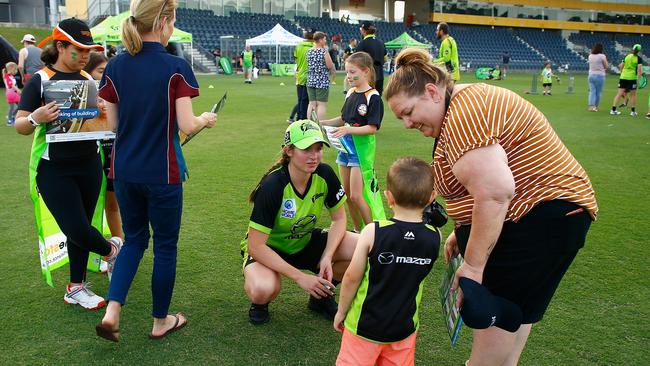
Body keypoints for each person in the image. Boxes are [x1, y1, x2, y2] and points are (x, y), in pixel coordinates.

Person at [385, 48, 597, 366]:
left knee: (494, 313)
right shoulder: (462, 105)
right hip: (553, 214)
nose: (406, 123)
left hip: (539, 215)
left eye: (408, 112)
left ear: (431, 91)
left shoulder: (462, 115)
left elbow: (496, 192)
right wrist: (462, 230)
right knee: (515, 312)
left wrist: (473, 267)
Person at [95, 0, 217, 342]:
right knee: (165, 246)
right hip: (162, 173)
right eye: (173, 19)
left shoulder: (115, 66)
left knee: (134, 240)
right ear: (163, 20)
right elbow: (187, 124)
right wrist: (205, 120)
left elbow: (115, 124)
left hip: (125, 171)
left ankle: (112, 311)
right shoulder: (176, 67)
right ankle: (160, 320)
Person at [14, 18, 122, 310]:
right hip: (54, 169)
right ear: (60, 46)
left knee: (82, 226)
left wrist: (102, 113)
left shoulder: (89, 80)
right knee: (75, 227)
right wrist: (37, 117)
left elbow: (100, 124)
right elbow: (21, 125)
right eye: (79, 49)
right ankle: (113, 251)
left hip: (88, 164)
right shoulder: (41, 80)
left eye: (89, 50)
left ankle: (76, 287)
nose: (86, 55)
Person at [241, 120, 358, 325]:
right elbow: (255, 245)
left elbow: (339, 219)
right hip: (270, 248)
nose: (314, 156)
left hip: (303, 241)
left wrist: (327, 256)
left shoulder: (325, 173)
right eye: (306, 149)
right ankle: (260, 303)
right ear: (289, 151)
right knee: (263, 289)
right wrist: (300, 277)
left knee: (361, 248)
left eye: (319, 148)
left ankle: (320, 296)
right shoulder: (273, 185)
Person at [334, 157, 440, 366]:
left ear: (389, 197)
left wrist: (341, 312)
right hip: (403, 330)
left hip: (362, 327)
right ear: (432, 197)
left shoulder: (373, 231)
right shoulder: (434, 236)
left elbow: (351, 278)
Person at [321, 52, 385, 232]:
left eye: (351, 72)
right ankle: (358, 231)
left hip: (361, 151)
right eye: (347, 72)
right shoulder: (350, 93)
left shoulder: (373, 97)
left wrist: (349, 129)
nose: (348, 76)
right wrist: (322, 123)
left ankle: (372, 233)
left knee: (357, 196)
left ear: (365, 71)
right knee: (347, 196)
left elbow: (372, 128)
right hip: (344, 148)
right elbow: (343, 118)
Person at [83, 51, 123, 249]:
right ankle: (97, 249)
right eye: (100, 71)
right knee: (88, 209)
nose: (105, 75)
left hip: (111, 150)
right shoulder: (81, 94)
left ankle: (119, 247)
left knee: (113, 204)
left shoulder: (114, 90)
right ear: (88, 73)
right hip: (88, 155)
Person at [307, 32, 335, 121]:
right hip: (322, 80)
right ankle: (321, 124)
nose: (325, 41)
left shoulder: (309, 51)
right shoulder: (323, 51)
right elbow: (330, 66)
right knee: (321, 104)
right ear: (320, 40)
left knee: (312, 104)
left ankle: (311, 123)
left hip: (311, 80)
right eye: (324, 39)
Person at [611, 44, 643, 116]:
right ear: (639, 51)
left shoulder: (627, 56)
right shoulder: (639, 58)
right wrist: (638, 80)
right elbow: (639, 70)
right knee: (633, 95)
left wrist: (622, 73)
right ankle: (633, 112)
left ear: (632, 49)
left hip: (623, 77)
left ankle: (613, 110)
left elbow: (620, 66)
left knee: (619, 94)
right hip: (632, 78)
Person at [356, 22, 386, 95]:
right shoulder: (381, 42)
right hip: (380, 75)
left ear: (363, 30)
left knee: (366, 99)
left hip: (368, 76)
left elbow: (357, 62)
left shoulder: (362, 44)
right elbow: (385, 59)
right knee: (377, 98)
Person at [294, 29, 315, 120]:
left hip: (300, 75)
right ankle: (303, 119)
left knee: (300, 99)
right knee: (306, 100)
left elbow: (296, 60)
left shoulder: (298, 46)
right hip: (310, 76)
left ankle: (298, 118)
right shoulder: (313, 47)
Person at [587, 43, 608, 112]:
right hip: (600, 75)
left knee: (592, 91)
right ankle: (596, 106)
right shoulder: (602, 56)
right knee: (598, 92)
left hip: (591, 75)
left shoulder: (590, 55)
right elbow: (606, 66)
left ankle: (591, 106)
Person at [3, 61, 21, 126]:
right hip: (11, 92)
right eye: (15, 69)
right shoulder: (8, 77)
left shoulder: (9, 76)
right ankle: (10, 120)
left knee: (19, 105)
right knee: (13, 106)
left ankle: (11, 116)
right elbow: (11, 85)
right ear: (11, 69)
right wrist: (18, 90)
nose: (16, 71)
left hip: (12, 92)